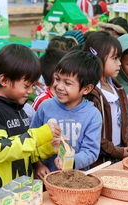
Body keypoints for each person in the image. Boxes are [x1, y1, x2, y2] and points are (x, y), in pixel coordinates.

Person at [0, 44, 61, 205]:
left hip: (18, 196)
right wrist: (39, 134)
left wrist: (48, 148)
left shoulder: (20, 111)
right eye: (26, 86)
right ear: (4, 80)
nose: (30, 91)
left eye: (32, 86)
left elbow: (22, 153)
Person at [30, 50, 102, 179]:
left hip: (75, 179)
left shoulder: (93, 115)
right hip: (45, 178)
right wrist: (38, 165)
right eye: (57, 79)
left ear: (87, 89)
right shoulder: (45, 107)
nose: (59, 86)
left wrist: (71, 161)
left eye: (68, 83)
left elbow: (91, 151)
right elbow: (31, 141)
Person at [82, 31, 128, 167]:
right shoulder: (89, 92)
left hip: (118, 151)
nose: (120, 63)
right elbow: (93, 136)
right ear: (97, 58)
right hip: (99, 160)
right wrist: (116, 151)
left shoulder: (116, 87)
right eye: (114, 58)